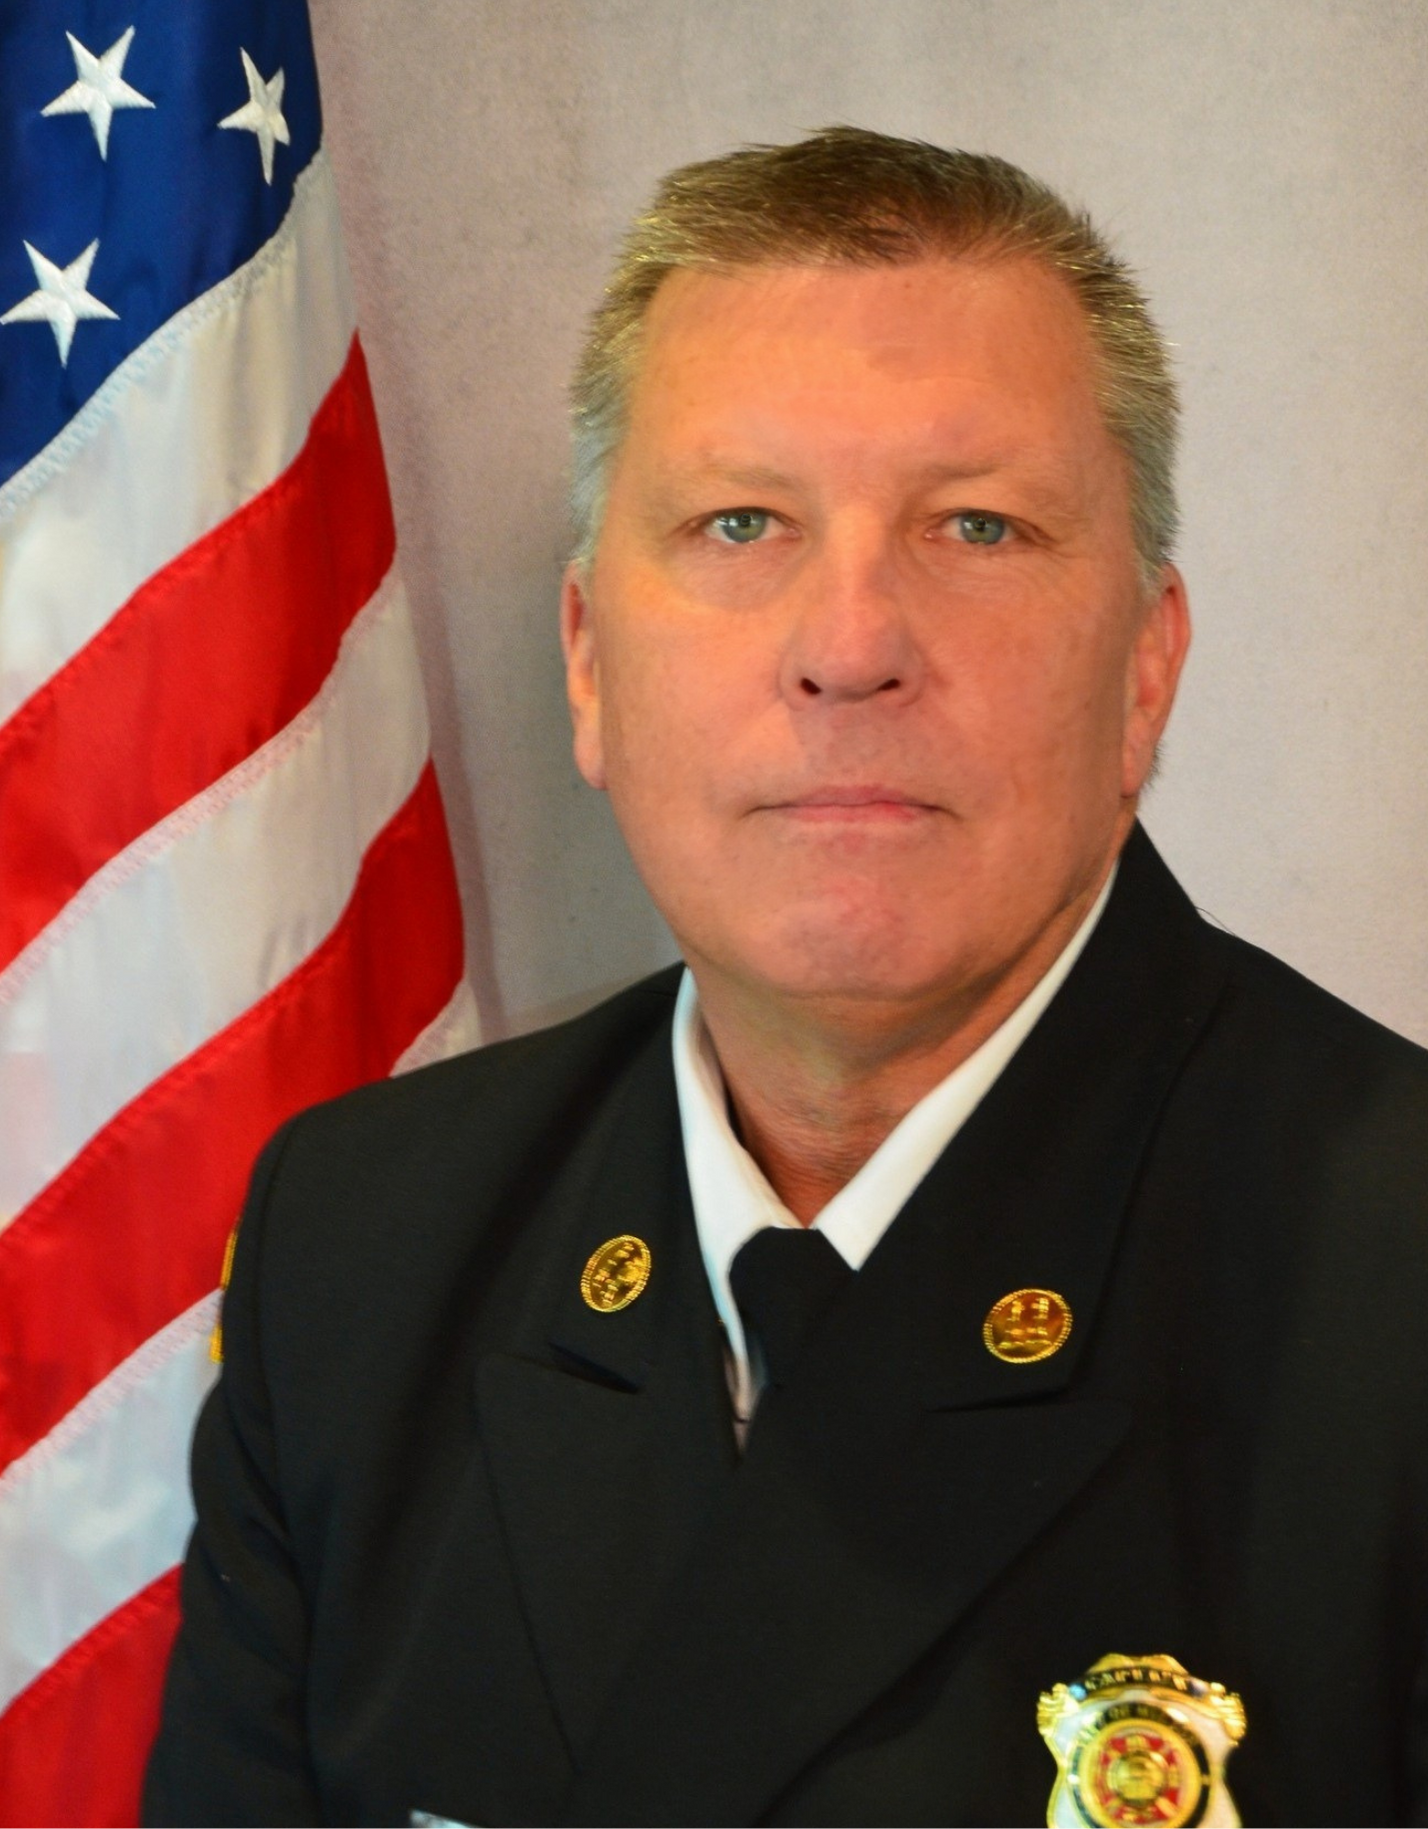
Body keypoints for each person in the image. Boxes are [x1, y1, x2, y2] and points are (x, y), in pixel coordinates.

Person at [145, 129, 1428, 1827]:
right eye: (739, 522)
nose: (848, 644)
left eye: (977, 526)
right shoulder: (366, 1250)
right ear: (590, 665)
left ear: (1146, 668)